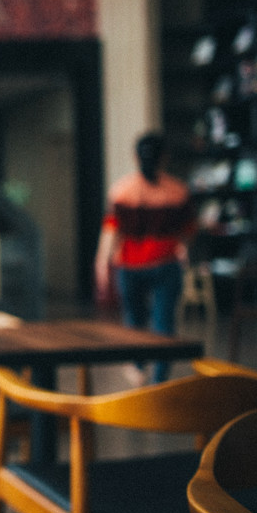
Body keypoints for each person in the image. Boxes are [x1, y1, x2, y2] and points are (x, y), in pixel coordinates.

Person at [94, 131, 196, 384]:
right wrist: (182, 248)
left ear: (135, 157)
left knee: (135, 322)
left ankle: (139, 369)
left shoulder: (121, 190)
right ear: (165, 157)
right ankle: (158, 382)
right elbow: (189, 230)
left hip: (132, 264)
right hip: (163, 263)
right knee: (164, 325)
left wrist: (101, 262)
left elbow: (110, 229)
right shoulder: (178, 191)